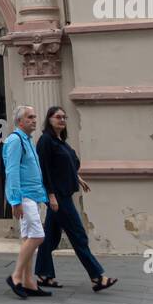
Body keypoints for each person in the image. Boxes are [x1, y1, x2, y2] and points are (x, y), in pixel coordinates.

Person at [34, 106, 117, 292]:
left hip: (65, 194)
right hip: (58, 197)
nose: (62, 120)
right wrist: (51, 196)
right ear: (49, 119)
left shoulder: (60, 141)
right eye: (57, 117)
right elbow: (45, 171)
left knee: (50, 238)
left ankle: (44, 274)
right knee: (78, 235)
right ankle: (97, 277)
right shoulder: (46, 141)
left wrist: (78, 179)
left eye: (64, 117)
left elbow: (67, 165)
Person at [2, 105, 51, 299]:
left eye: (35, 116)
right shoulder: (15, 141)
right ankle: (16, 277)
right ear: (20, 121)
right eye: (30, 117)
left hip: (33, 195)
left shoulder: (27, 140)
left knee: (29, 237)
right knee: (38, 236)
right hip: (24, 196)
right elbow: (12, 171)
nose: (34, 120)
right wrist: (15, 200)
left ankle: (29, 281)